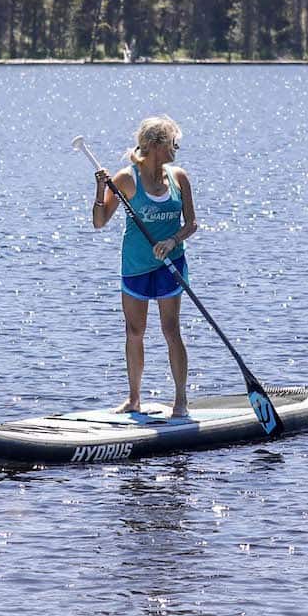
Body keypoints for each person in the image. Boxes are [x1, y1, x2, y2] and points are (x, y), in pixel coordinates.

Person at [90, 115, 197, 418]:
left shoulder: (179, 177)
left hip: (170, 264)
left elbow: (191, 224)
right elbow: (99, 222)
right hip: (136, 266)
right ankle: (133, 399)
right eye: (172, 143)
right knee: (134, 331)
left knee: (170, 329)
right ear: (155, 145)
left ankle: (180, 402)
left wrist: (173, 241)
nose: (176, 148)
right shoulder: (126, 179)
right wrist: (100, 190)